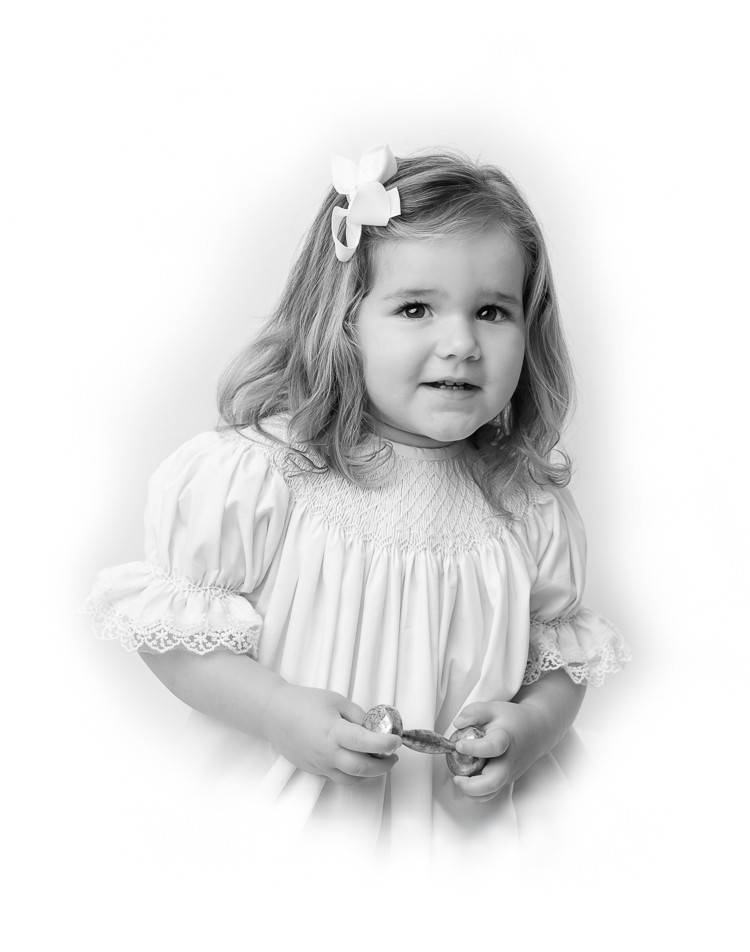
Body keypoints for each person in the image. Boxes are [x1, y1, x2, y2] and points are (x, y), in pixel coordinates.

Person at [84, 143, 630, 865]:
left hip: (475, 841)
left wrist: (533, 729)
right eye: (415, 308)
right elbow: (180, 639)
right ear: (344, 322)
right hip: (298, 829)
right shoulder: (268, 474)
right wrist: (278, 714)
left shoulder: (524, 506)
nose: (461, 343)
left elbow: (562, 663)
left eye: (493, 311)